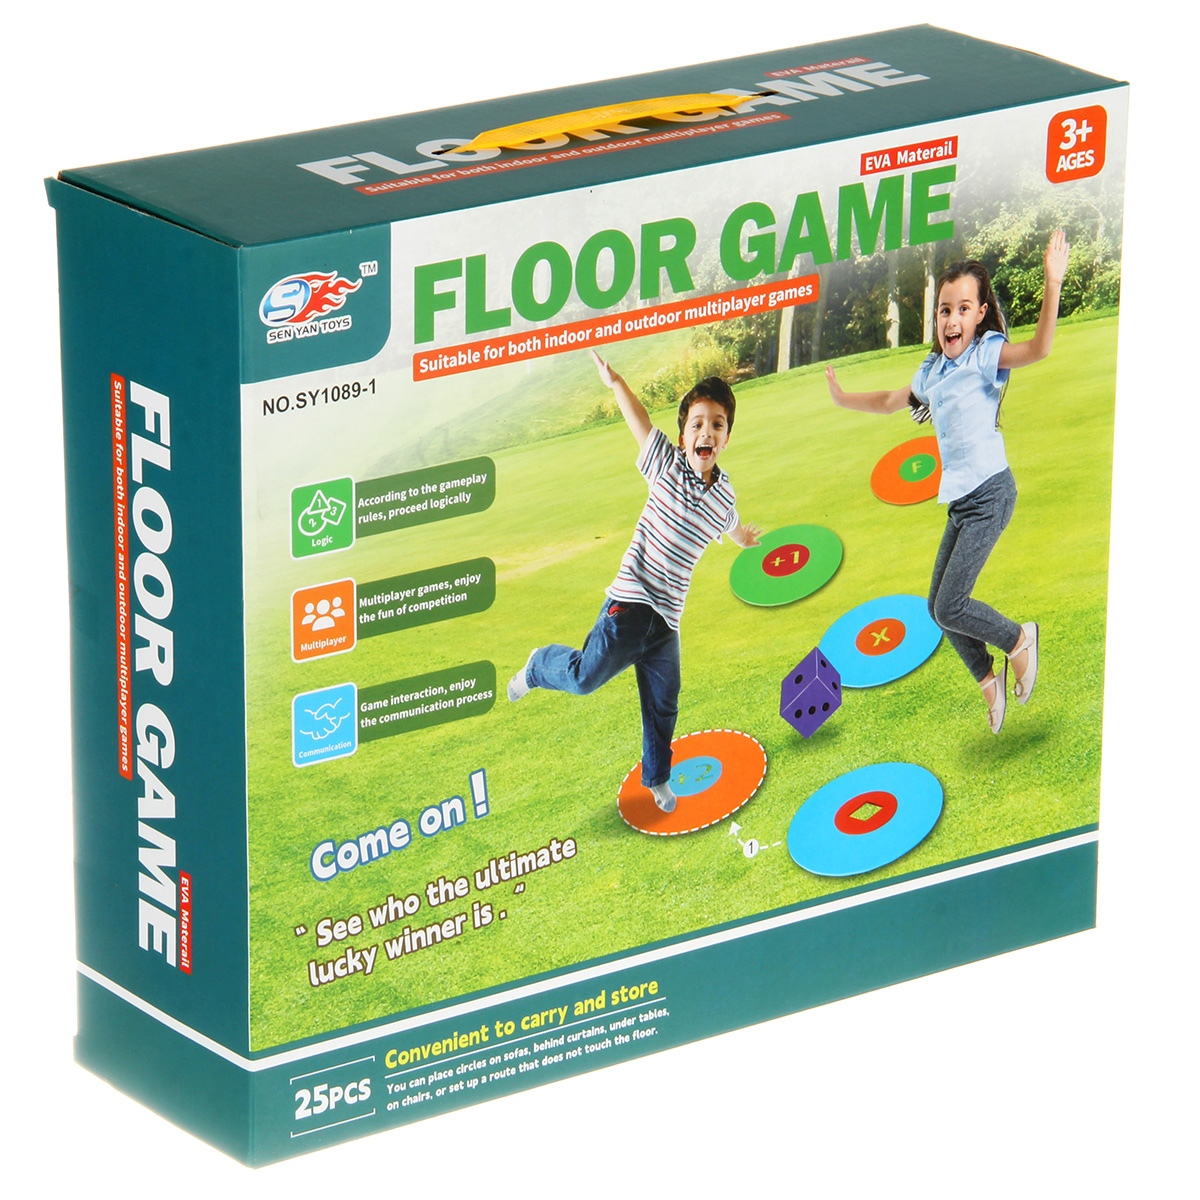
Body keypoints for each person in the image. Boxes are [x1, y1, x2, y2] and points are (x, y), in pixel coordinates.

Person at [825, 230, 1071, 734]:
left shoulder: (985, 354)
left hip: (991, 493)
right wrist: (842, 398)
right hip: (962, 503)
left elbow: (1039, 348)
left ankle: (1019, 639)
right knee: (939, 609)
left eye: (963, 309)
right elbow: (889, 402)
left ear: (980, 314)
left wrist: (1053, 281)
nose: (951, 319)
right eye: (944, 310)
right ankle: (987, 678)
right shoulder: (933, 371)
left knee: (951, 603)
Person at [508, 349, 762, 811]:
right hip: (630, 604)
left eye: (717, 424)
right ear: (683, 436)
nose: (706, 432)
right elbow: (641, 422)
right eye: (697, 424)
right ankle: (537, 666)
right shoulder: (666, 464)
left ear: (727, 437)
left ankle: (657, 777)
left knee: (664, 701)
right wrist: (616, 383)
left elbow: (730, 522)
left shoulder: (724, 494)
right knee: (583, 678)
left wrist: (743, 537)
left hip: (667, 622)